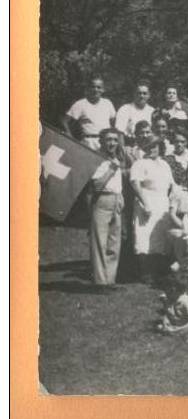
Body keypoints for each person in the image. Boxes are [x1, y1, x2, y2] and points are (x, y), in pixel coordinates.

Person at [129, 135, 175, 284]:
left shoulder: (164, 164)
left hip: (162, 202)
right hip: (146, 201)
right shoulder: (140, 163)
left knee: (159, 237)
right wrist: (145, 203)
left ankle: (158, 272)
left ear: (160, 147)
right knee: (143, 237)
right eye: (149, 146)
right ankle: (145, 273)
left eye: (155, 146)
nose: (152, 149)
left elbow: (171, 185)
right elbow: (135, 184)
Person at [89, 128, 126, 287]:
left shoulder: (116, 158)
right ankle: (100, 281)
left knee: (114, 242)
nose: (112, 143)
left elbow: (117, 183)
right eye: (108, 140)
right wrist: (112, 168)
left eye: (115, 140)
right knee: (100, 241)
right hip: (102, 200)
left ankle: (110, 280)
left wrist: (121, 196)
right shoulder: (96, 158)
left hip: (116, 200)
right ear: (101, 141)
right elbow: (97, 185)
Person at [62, 76, 116, 150]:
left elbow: (114, 123)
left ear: (103, 90)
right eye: (93, 87)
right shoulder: (80, 104)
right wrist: (69, 136)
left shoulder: (108, 103)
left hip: (106, 142)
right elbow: (64, 121)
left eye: (99, 87)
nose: (95, 89)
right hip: (89, 142)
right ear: (88, 89)